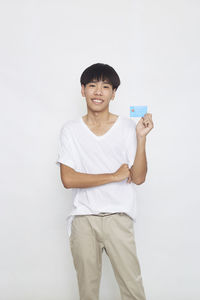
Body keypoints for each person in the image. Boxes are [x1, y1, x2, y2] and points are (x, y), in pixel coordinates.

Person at [56, 63, 154, 300]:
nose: (98, 92)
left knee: (133, 291)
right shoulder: (70, 130)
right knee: (88, 293)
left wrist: (141, 139)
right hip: (83, 219)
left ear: (113, 93)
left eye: (105, 86)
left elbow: (138, 177)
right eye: (92, 85)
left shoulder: (128, 127)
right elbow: (68, 179)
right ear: (83, 90)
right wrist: (114, 175)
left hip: (118, 217)